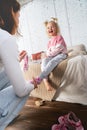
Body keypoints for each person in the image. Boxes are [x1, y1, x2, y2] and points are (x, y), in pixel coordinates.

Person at [0, 0, 37, 130]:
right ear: (10, 13)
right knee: (24, 85)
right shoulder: (5, 38)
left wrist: (15, 61)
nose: (18, 21)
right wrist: (33, 84)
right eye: (18, 16)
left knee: (10, 75)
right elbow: (21, 91)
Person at [31, 18, 67, 91]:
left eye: (52, 27)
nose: (50, 28)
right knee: (44, 61)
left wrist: (48, 54)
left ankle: (39, 78)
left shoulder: (59, 37)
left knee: (51, 62)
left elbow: (57, 49)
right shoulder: (49, 41)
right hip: (52, 55)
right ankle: (46, 82)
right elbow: (48, 51)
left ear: (56, 28)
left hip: (61, 54)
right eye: (48, 28)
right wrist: (46, 55)